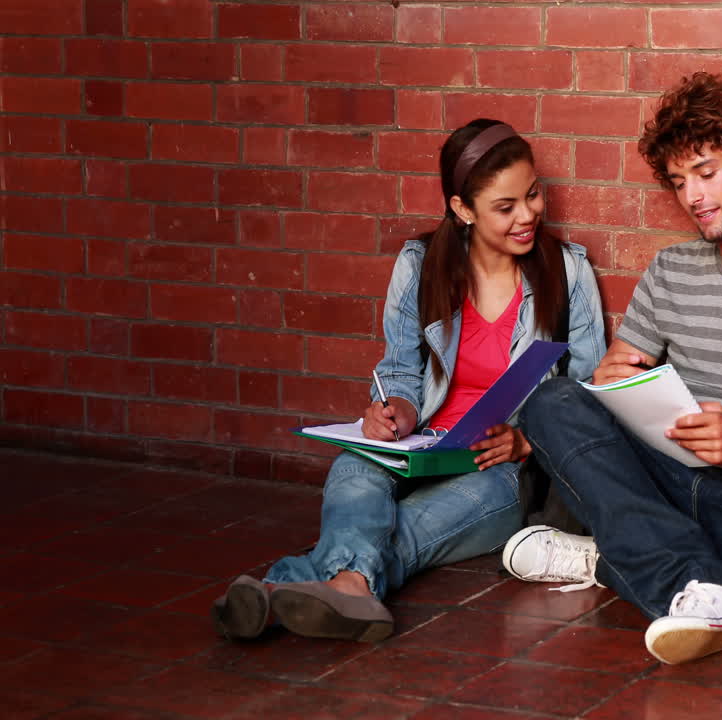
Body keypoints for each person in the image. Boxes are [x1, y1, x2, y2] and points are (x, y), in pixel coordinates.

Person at [501, 72, 722, 665]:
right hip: (661, 471)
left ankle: (616, 557)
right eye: (678, 182)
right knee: (553, 402)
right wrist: (611, 383)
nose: (693, 196)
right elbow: (612, 390)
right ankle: (694, 578)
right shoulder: (672, 271)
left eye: (706, 172)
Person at [211, 119, 606, 642]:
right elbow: (400, 368)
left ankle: (282, 588)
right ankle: (348, 588)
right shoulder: (420, 265)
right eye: (505, 207)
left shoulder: (567, 271)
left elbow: (587, 391)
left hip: (497, 469)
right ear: (462, 209)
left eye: (532, 194)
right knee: (355, 469)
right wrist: (395, 407)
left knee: (408, 531)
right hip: (417, 447)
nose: (529, 214)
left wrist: (526, 440)